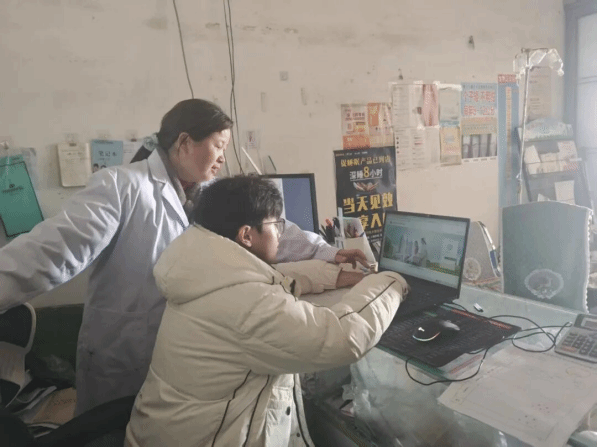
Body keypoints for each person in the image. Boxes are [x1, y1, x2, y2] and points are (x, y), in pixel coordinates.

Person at [0, 99, 367, 415]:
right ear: (185, 142)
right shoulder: (121, 186)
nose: (223, 157)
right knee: (111, 434)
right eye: (219, 146)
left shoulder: (207, 193)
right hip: (124, 353)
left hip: (181, 359)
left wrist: (328, 252)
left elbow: (269, 229)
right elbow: (52, 253)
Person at [125, 176, 409, 447]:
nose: (280, 234)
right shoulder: (245, 301)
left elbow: (275, 278)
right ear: (246, 235)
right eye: (276, 225)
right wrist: (391, 281)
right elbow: (342, 338)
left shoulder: (202, 268)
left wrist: (337, 276)